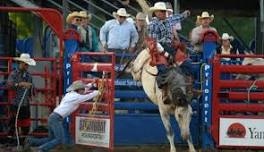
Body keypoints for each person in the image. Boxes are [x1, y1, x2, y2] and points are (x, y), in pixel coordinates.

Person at [26, 80, 100, 152]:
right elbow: (87, 96)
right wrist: (98, 92)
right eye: (82, 89)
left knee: (51, 139)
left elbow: (84, 91)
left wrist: (91, 85)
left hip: (53, 116)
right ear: (79, 89)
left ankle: (31, 141)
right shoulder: (76, 97)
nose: (84, 90)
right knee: (59, 139)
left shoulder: (71, 94)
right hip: (56, 118)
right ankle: (41, 149)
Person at [147, 2, 191, 103]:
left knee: (187, 64)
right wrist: (166, 54)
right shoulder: (153, 25)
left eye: (164, 11)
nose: (163, 13)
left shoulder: (169, 19)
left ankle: (188, 87)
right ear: (156, 12)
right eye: (161, 11)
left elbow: (178, 17)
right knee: (163, 69)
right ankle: (165, 91)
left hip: (171, 47)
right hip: (159, 49)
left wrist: (185, 14)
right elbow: (154, 42)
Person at [7, 53, 36, 145]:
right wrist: (20, 84)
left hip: (25, 103)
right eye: (25, 64)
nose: (27, 66)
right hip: (15, 103)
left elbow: (32, 88)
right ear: (21, 63)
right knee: (13, 123)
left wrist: (31, 89)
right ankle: (10, 142)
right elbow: (9, 85)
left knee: (25, 124)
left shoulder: (29, 76)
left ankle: (23, 142)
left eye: (27, 64)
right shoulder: (14, 74)